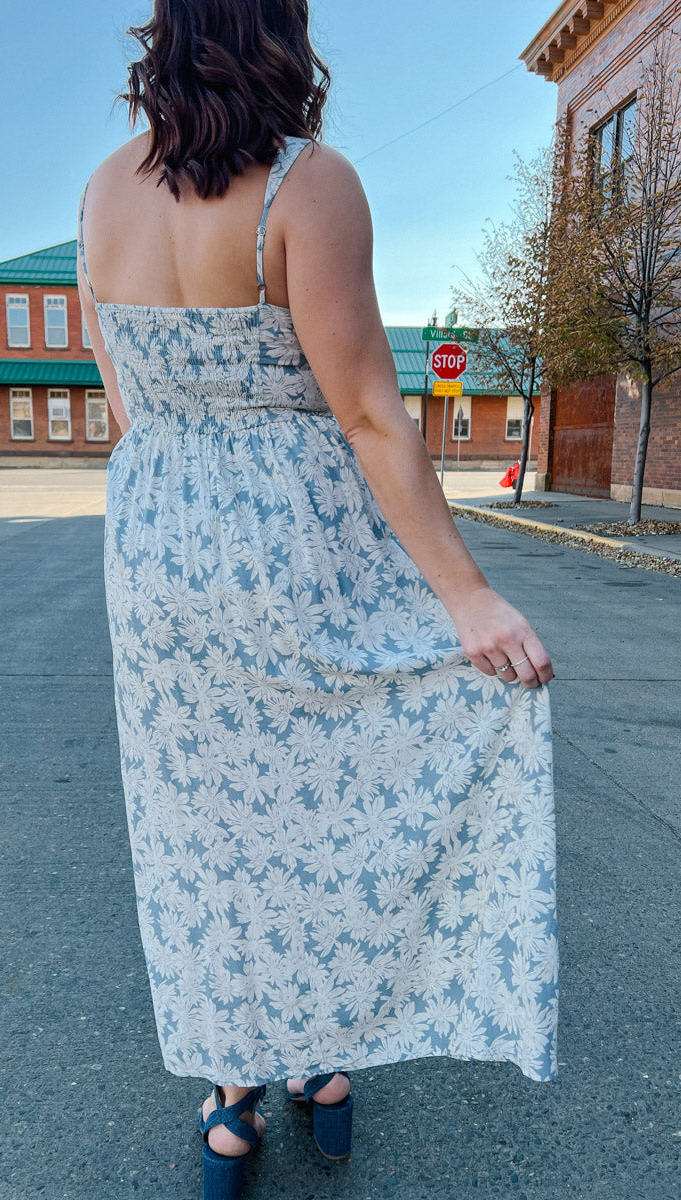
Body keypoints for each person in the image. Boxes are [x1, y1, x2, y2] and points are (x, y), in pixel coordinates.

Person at [77, 3, 559, 1196]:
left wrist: (183, 484)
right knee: (322, 808)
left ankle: (229, 1100)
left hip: (154, 546)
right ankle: (321, 1064)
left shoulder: (101, 192)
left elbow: (123, 402)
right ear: (280, 35)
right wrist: (467, 598)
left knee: (198, 832)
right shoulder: (309, 182)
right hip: (289, 538)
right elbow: (367, 413)